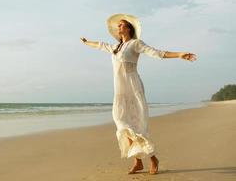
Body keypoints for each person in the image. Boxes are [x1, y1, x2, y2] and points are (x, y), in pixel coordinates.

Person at [80, 13, 197, 175]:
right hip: (120, 91)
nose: (118, 27)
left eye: (121, 25)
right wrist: (87, 42)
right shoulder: (114, 47)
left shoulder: (135, 44)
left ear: (128, 28)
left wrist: (179, 54)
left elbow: (157, 53)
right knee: (121, 123)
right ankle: (138, 161)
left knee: (137, 125)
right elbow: (99, 45)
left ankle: (152, 159)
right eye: (118, 25)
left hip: (133, 88)